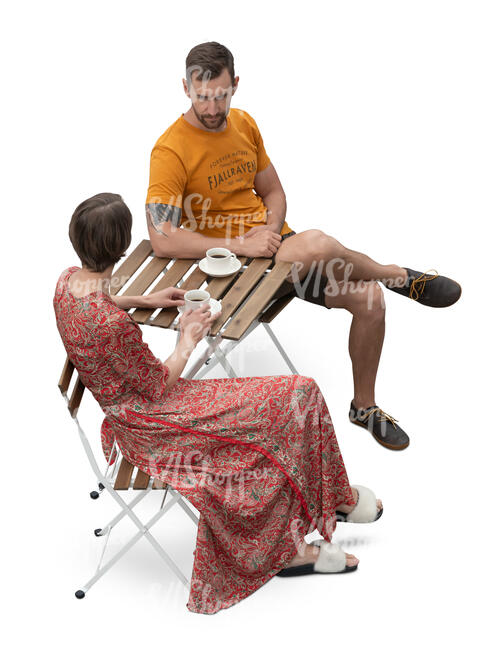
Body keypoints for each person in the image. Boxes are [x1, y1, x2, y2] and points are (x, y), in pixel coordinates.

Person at [53, 192, 383, 615]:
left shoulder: (67, 283)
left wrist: (147, 301)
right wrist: (187, 337)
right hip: (154, 424)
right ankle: (291, 548)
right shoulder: (110, 328)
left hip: (135, 408)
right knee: (293, 399)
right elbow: (157, 384)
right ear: (120, 245)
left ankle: (328, 495)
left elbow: (102, 302)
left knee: (296, 394)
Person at [145, 41, 462, 452]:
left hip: (280, 256)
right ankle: (400, 276)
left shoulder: (244, 124)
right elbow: (162, 236)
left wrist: (270, 232)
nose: (211, 107)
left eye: (220, 95)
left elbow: (273, 191)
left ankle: (363, 408)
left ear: (235, 85)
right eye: (202, 97)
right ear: (185, 88)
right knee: (316, 243)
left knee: (369, 300)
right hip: (230, 272)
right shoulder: (170, 150)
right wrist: (244, 243)